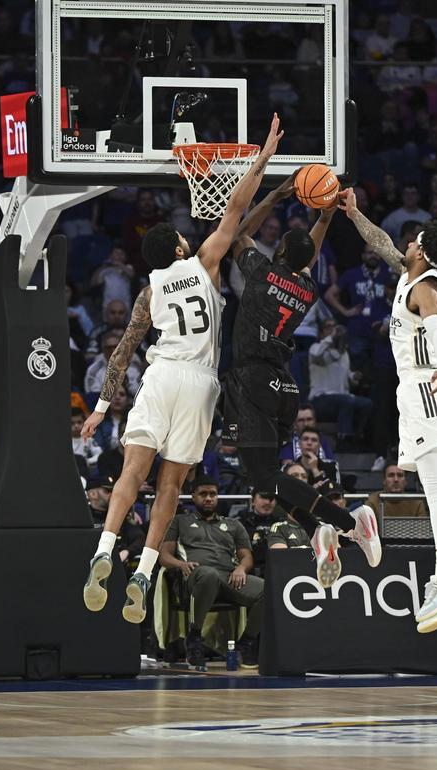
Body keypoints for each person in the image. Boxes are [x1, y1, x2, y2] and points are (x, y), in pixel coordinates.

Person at [80, 115, 282, 624]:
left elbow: (124, 350)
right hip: (198, 384)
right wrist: (262, 159)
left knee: (132, 472)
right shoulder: (204, 263)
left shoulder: (149, 290)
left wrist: (102, 408)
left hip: (159, 375)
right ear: (177, 247)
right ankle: (146, 570)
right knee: (171, 485)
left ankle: (104, 550)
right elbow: (236, 209)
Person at [221, 176, 378, 591]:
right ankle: (316, 532)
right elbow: (310, 251)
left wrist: (273, 196)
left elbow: (238, 235)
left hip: (253, 381)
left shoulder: (260, 273)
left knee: (265, 481)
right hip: (284, 387)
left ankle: (349, 522)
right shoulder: (306, 286)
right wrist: (325, 215)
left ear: (281, 252)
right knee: (266, 476)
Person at [341, 193, 437, 633]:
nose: (406, 246)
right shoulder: (411, 273)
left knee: (436, 486)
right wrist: (354, 211)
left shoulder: (424, 287)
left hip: (426, 383)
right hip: (420, 387)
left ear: (422, 250)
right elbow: (381, 243)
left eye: (412, 242)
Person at [159, 476, 262, 670]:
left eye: (212, 494)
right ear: (193, 496)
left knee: (268, 590)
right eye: (203, 494)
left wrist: (241, 568)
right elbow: (163, 556)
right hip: (194, 577)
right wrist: (180, 564)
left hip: (228, 578)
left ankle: (246, 642)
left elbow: (247, 557)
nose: (208, 498)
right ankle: (195, 637)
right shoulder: (180, 521)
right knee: (208, 574)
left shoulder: (233, 524)